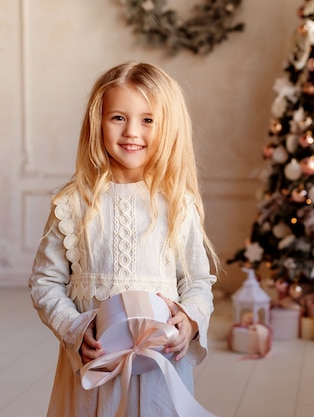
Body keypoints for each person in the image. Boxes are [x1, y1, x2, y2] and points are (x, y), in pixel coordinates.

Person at [28, 62, 220, 417]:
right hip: (96, 363)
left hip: (159, 366)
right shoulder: (72, 203)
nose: (132, 131)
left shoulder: (178, 203)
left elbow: (197, 281)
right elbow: (45, 281)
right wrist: (74, 328)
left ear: (168, 128)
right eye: (118, 117)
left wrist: (190, 320)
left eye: (147, 120)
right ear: (97, 122)